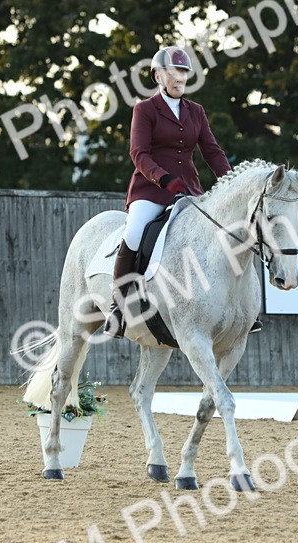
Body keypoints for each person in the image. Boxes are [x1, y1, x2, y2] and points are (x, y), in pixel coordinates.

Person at [105, 45, 249, 338]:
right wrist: (163, 177)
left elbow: (212, 151)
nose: (180, 77)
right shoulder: (145, 110)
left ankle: (241, 309)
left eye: (183, 71)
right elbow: (139, 153)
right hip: (152, 189)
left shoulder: (196, 111)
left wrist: (232, 181)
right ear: (159, 75)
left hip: (189, 189)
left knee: (225, 234)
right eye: (174, 71)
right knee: (133, 233)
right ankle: (118, 307)